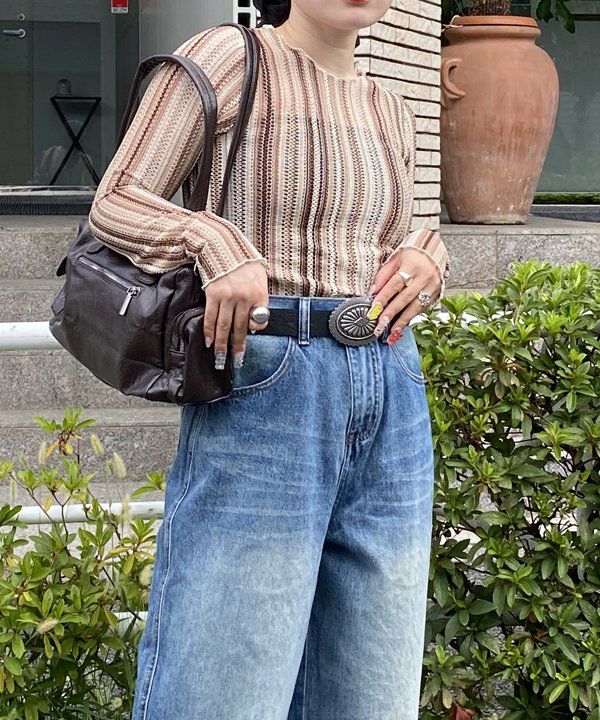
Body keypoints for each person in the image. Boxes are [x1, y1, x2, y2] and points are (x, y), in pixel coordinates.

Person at [89, 0, 450, 717]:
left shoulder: (391, 107)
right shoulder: (230, 57)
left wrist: (425, 257)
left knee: (373, 695)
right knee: (224, 688)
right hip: (269, 384)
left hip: (392, 392)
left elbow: (387, 239)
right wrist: (214, 243)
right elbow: (118, 200)